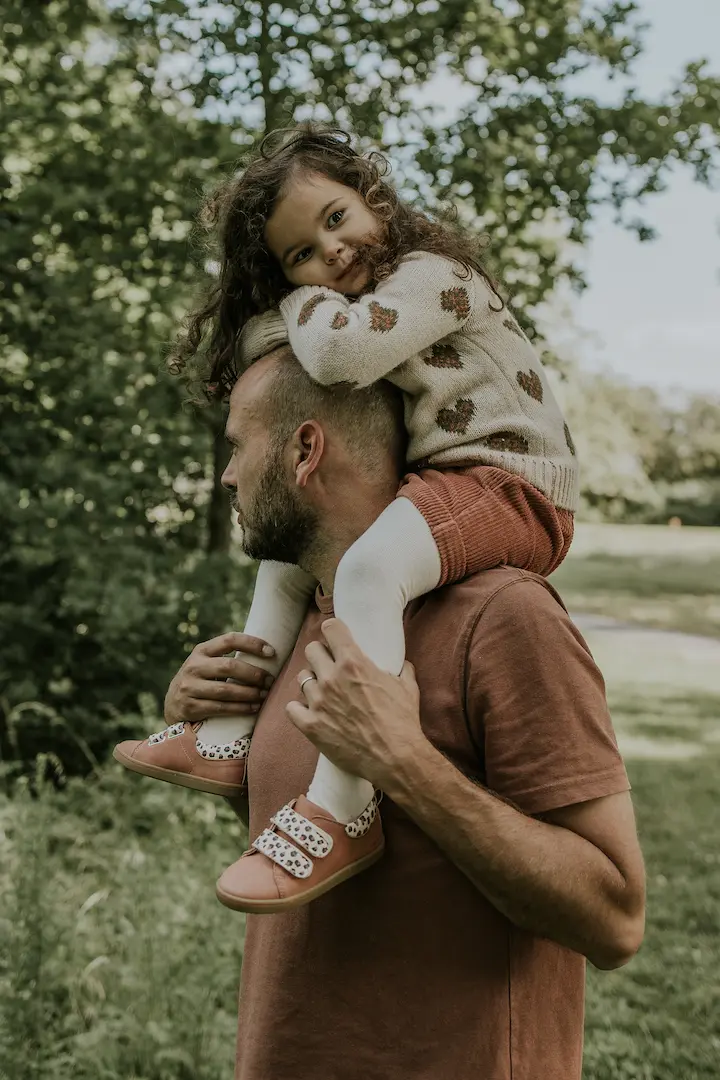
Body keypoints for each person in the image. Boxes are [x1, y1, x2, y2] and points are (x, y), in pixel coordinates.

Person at [115, 125, 582, 907]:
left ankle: (341, 806)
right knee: (283, 556)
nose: (328, 254)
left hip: (513, 482)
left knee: (367, 567)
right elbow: (274, 350)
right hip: (450, 475)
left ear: (373, 195)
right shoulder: (354, 306)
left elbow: (331, 357)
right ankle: (228, 731)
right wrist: (300, 311)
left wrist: (297, 295)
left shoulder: (437, 275)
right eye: (300, 254)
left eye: (335, 218)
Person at [162, 347, 645, 1080]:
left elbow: (615, 921)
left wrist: (405, 764)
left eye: (237, 446)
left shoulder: (507, 617)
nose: (227, 474)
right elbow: (325, 848)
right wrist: (218, 734)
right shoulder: (309, 621)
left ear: (304, 450)